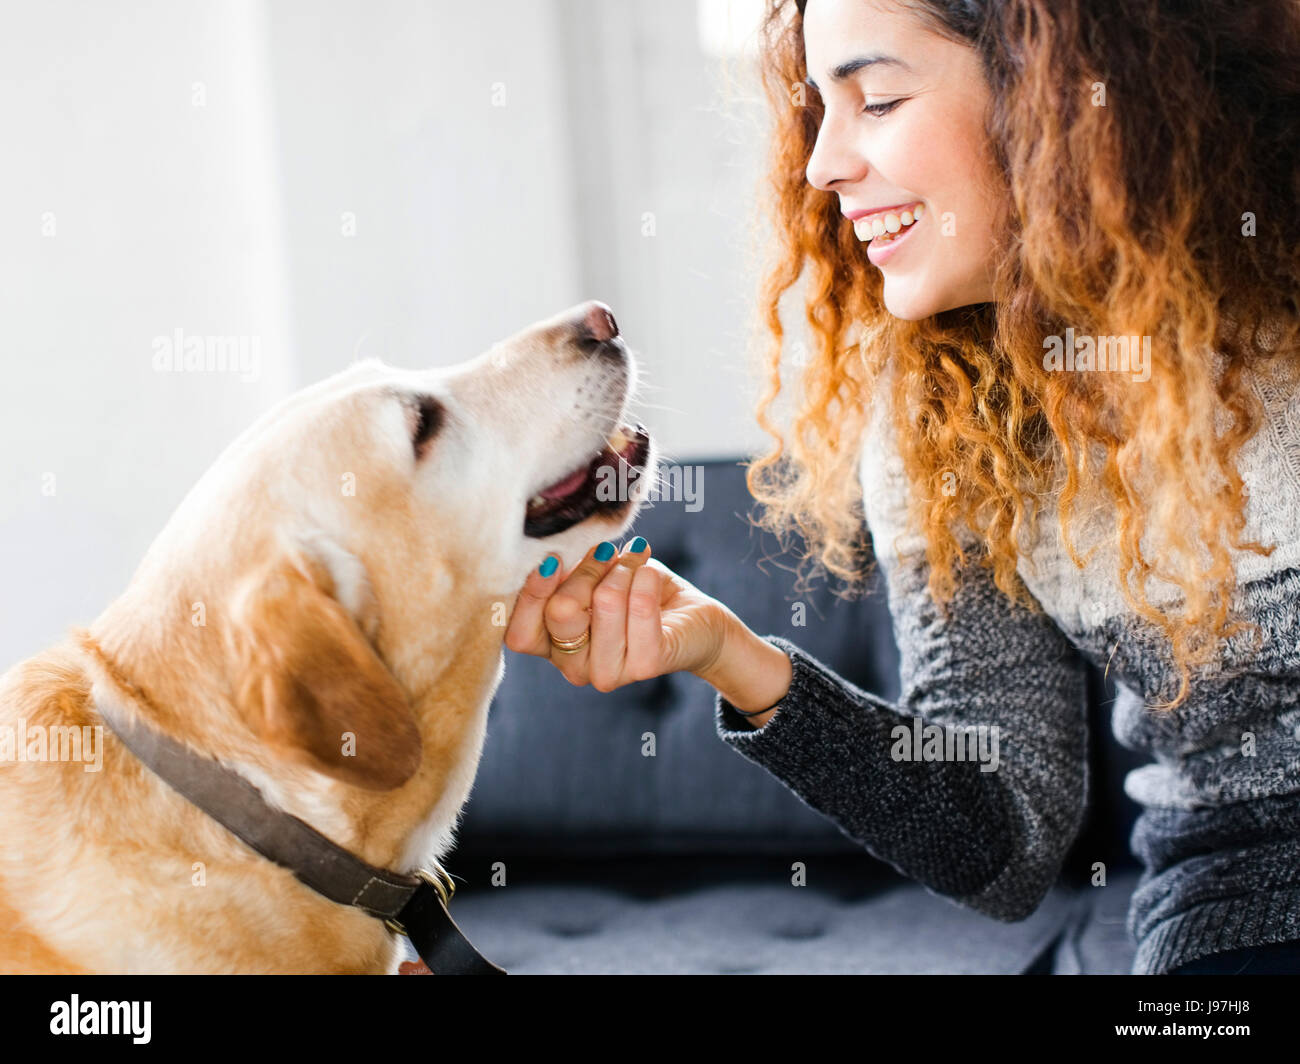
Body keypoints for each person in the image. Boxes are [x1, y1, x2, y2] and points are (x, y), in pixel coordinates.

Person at [504, 0, 1300, 976]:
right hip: (1248, 903)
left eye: (875, 99)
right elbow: (999, 834)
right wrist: (727, 652)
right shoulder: (946, 411)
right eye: (819, 110)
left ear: (1056, 91)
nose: (820, 163)